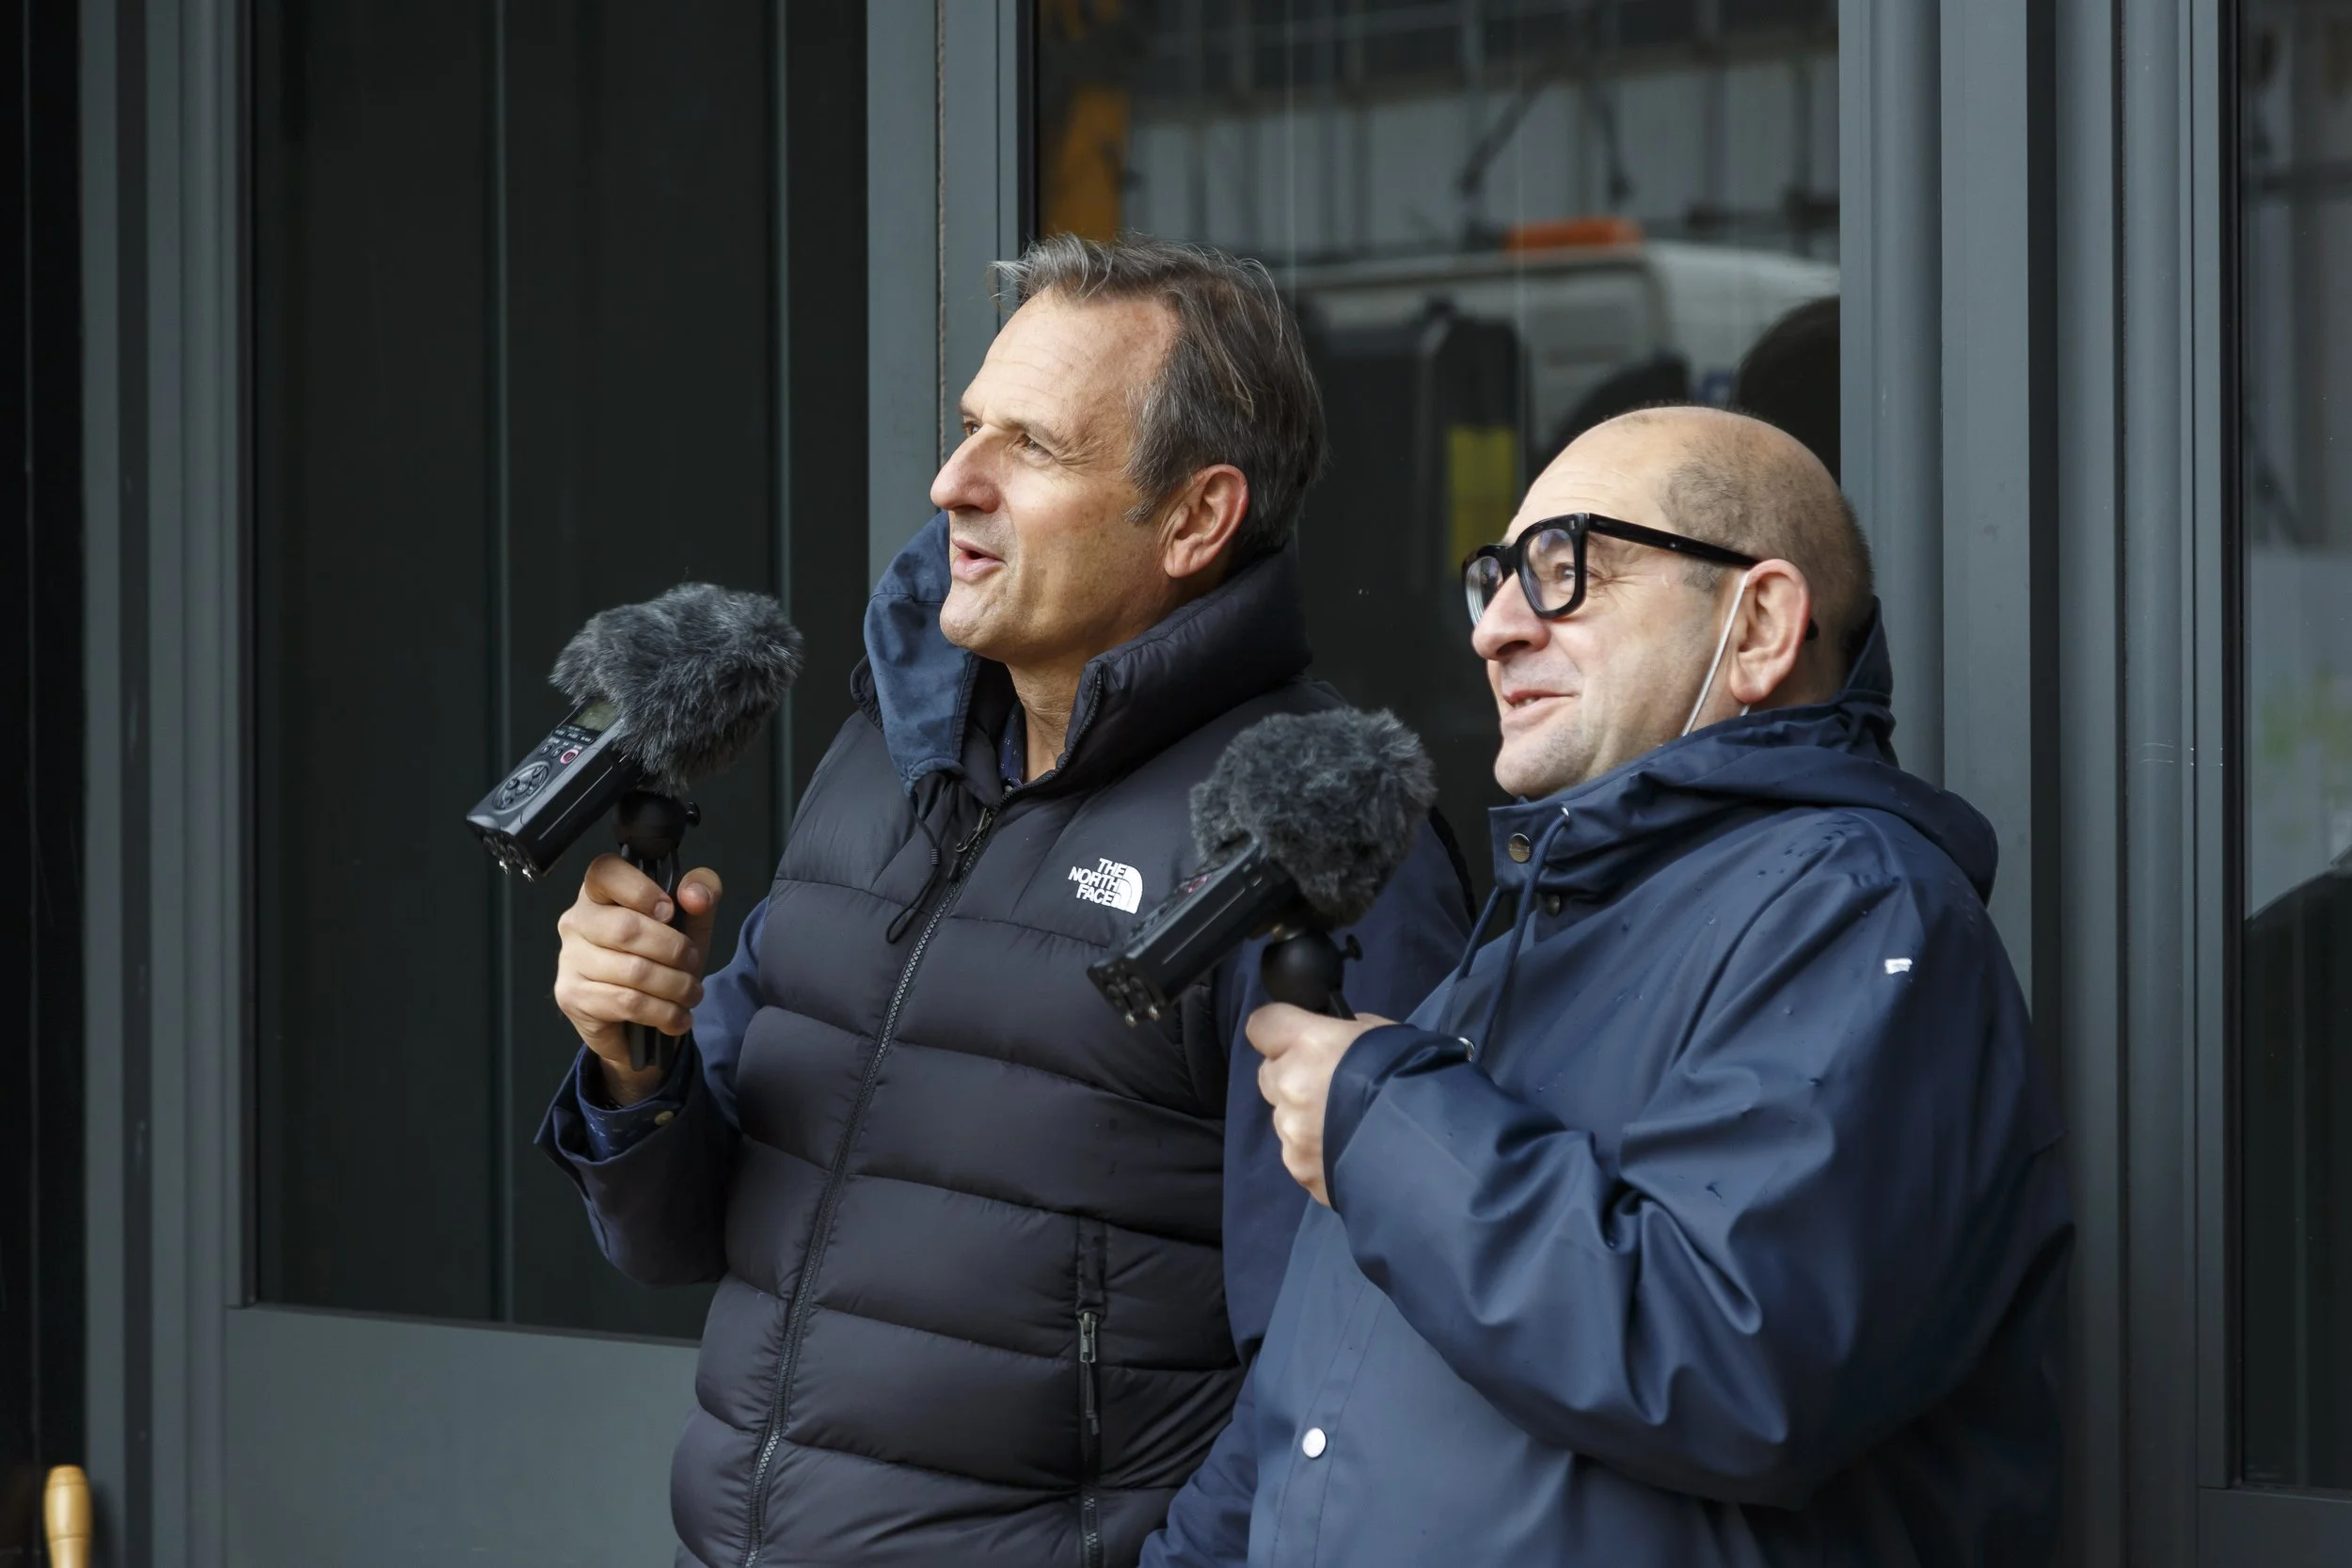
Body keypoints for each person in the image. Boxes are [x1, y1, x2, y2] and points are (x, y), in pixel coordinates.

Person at [533, 234, 1473, 1567]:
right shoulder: (880, 759)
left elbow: (1349, 1377)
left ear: (1197, 518)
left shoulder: (1306, 838)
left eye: (1028, 446)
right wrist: (634, 1059)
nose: (950, 481)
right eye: (972, 424)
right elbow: (679, 1230)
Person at [1147, 405, 2071, 1566]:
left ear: (1760, 624)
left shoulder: (1862, 912)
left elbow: (1743, 1361)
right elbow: (1320, 1399)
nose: (1492, 628)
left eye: (1564, 569)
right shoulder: (1522, 944)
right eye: (1492, 578)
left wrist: (1385, 1122)